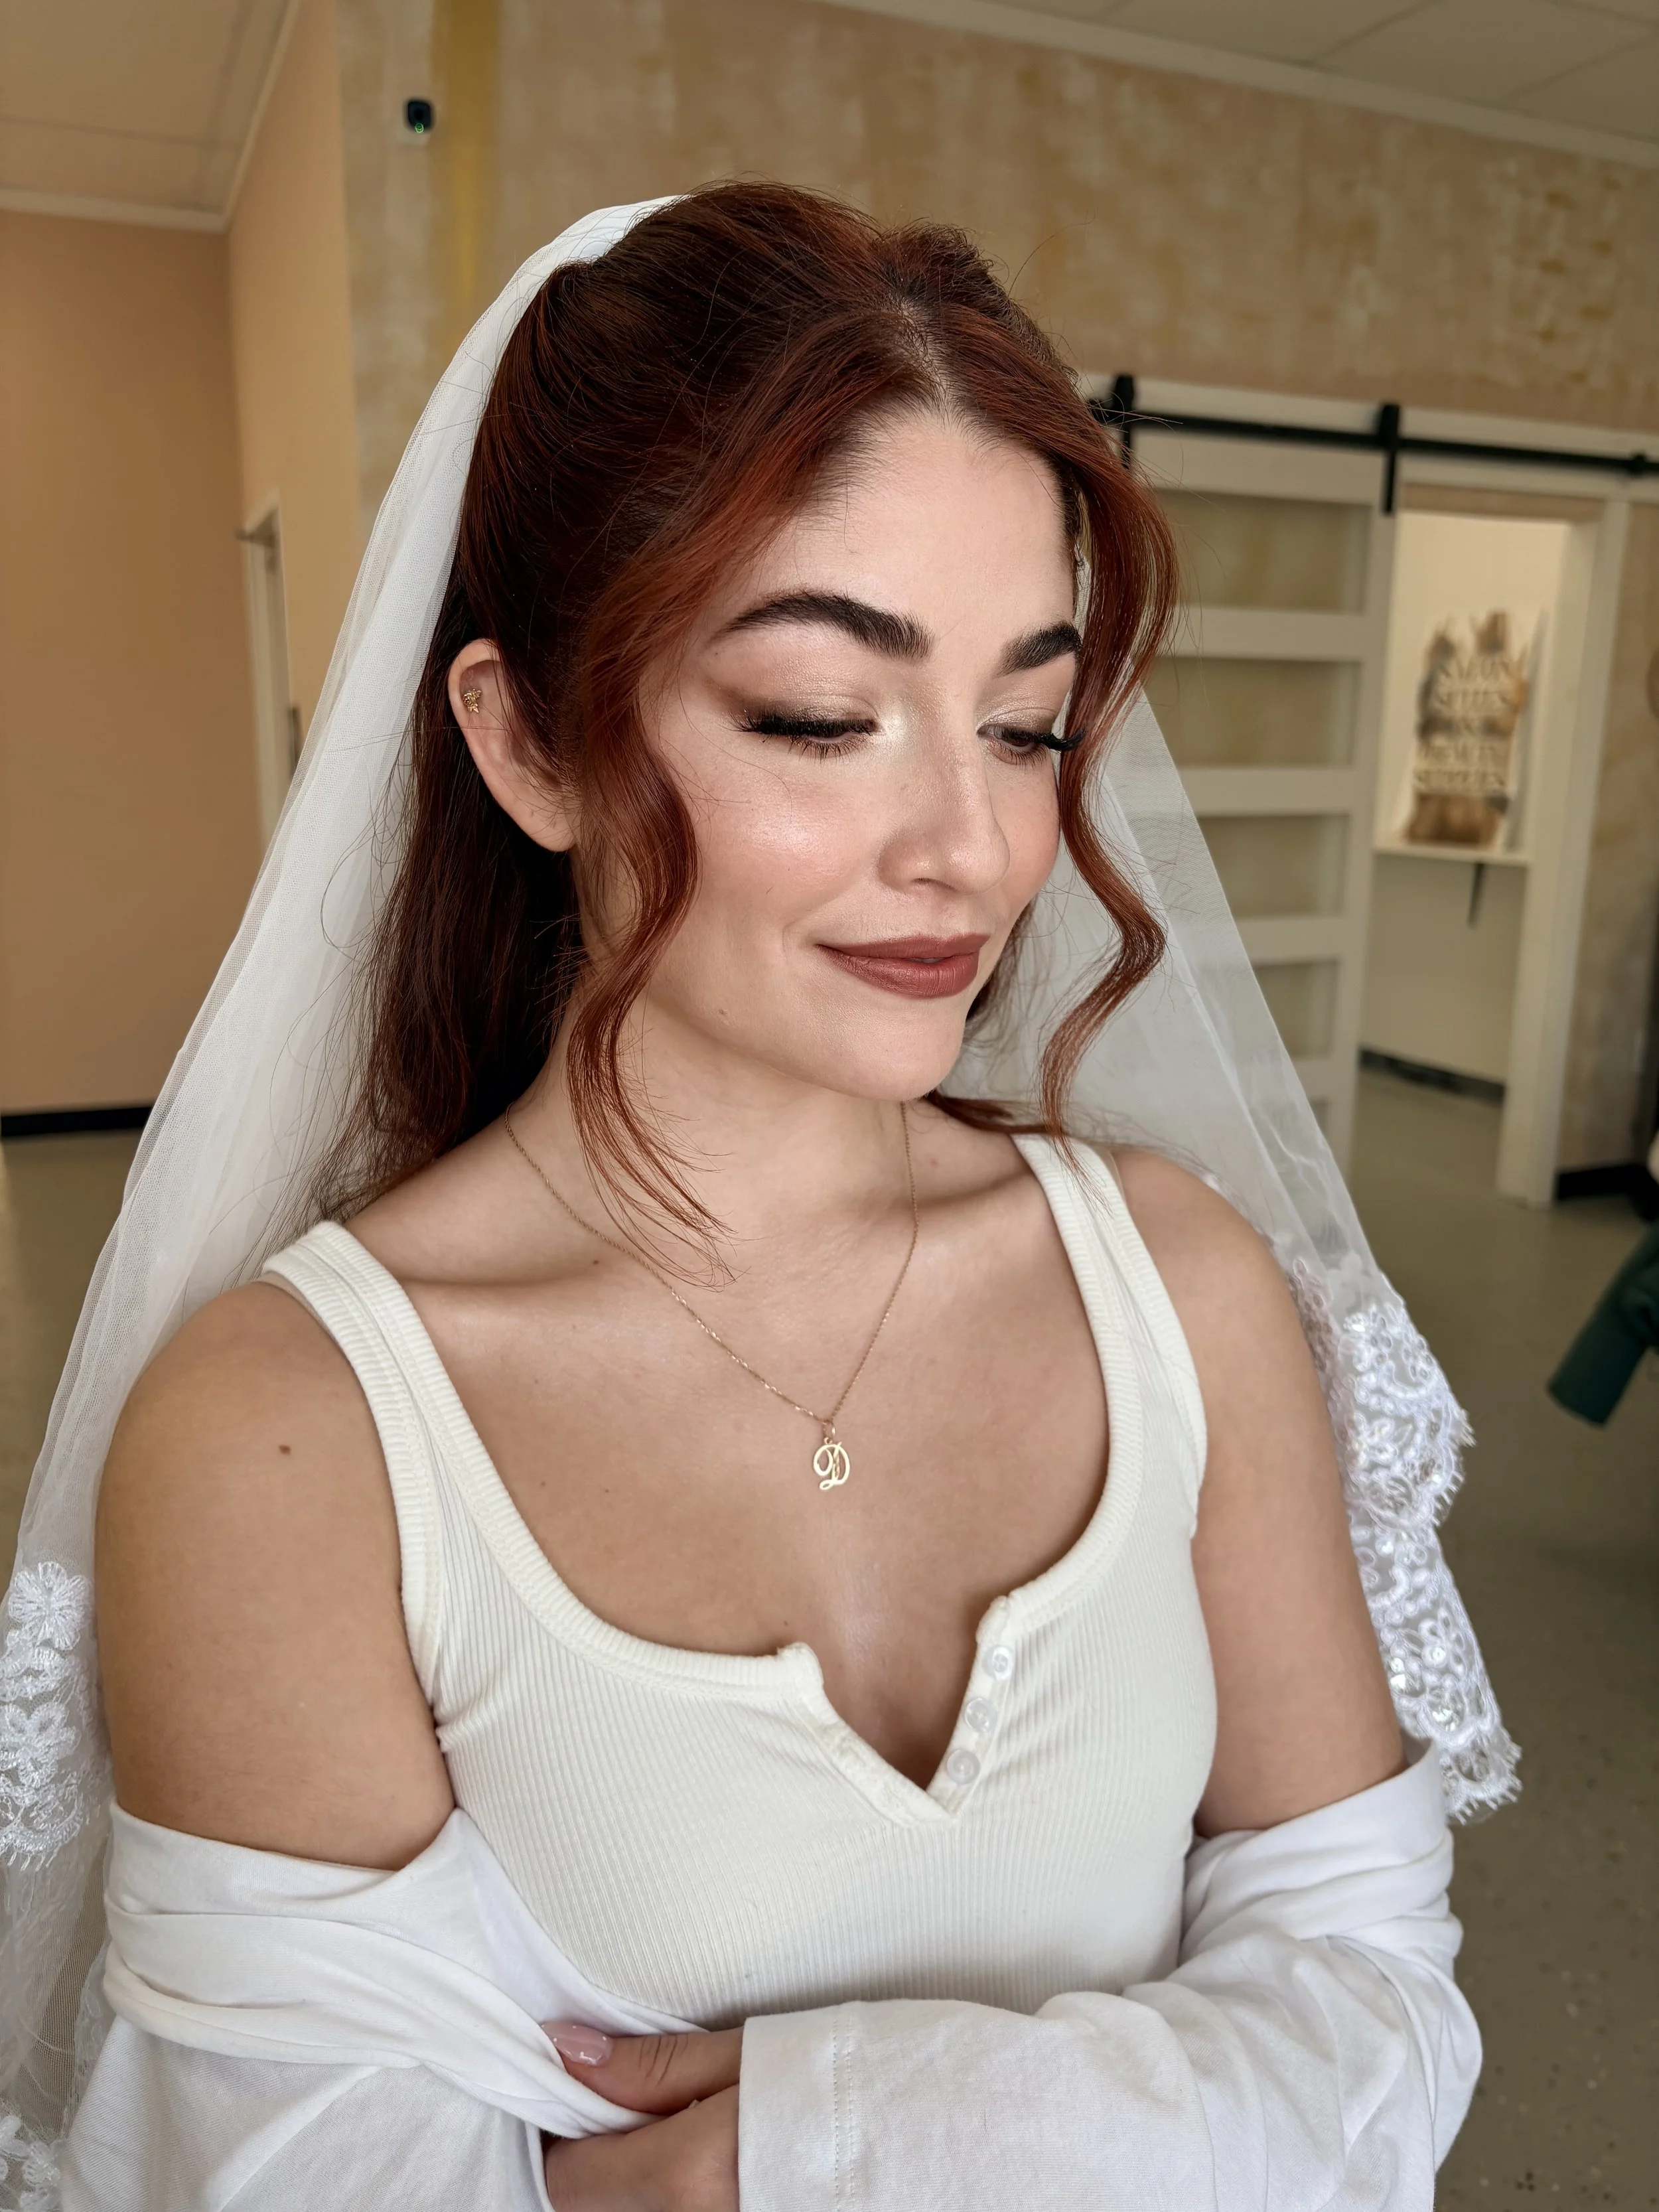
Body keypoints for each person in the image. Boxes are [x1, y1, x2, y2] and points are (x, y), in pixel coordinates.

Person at [0, 185, 1515, 2212]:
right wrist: (1154, 2110)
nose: (970, 846)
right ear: (526, 741)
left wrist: (830, 2143)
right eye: (819, 715)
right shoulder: (290, 1435)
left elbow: (1376, 1989)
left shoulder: (1177, 1286)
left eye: (1026, 722)